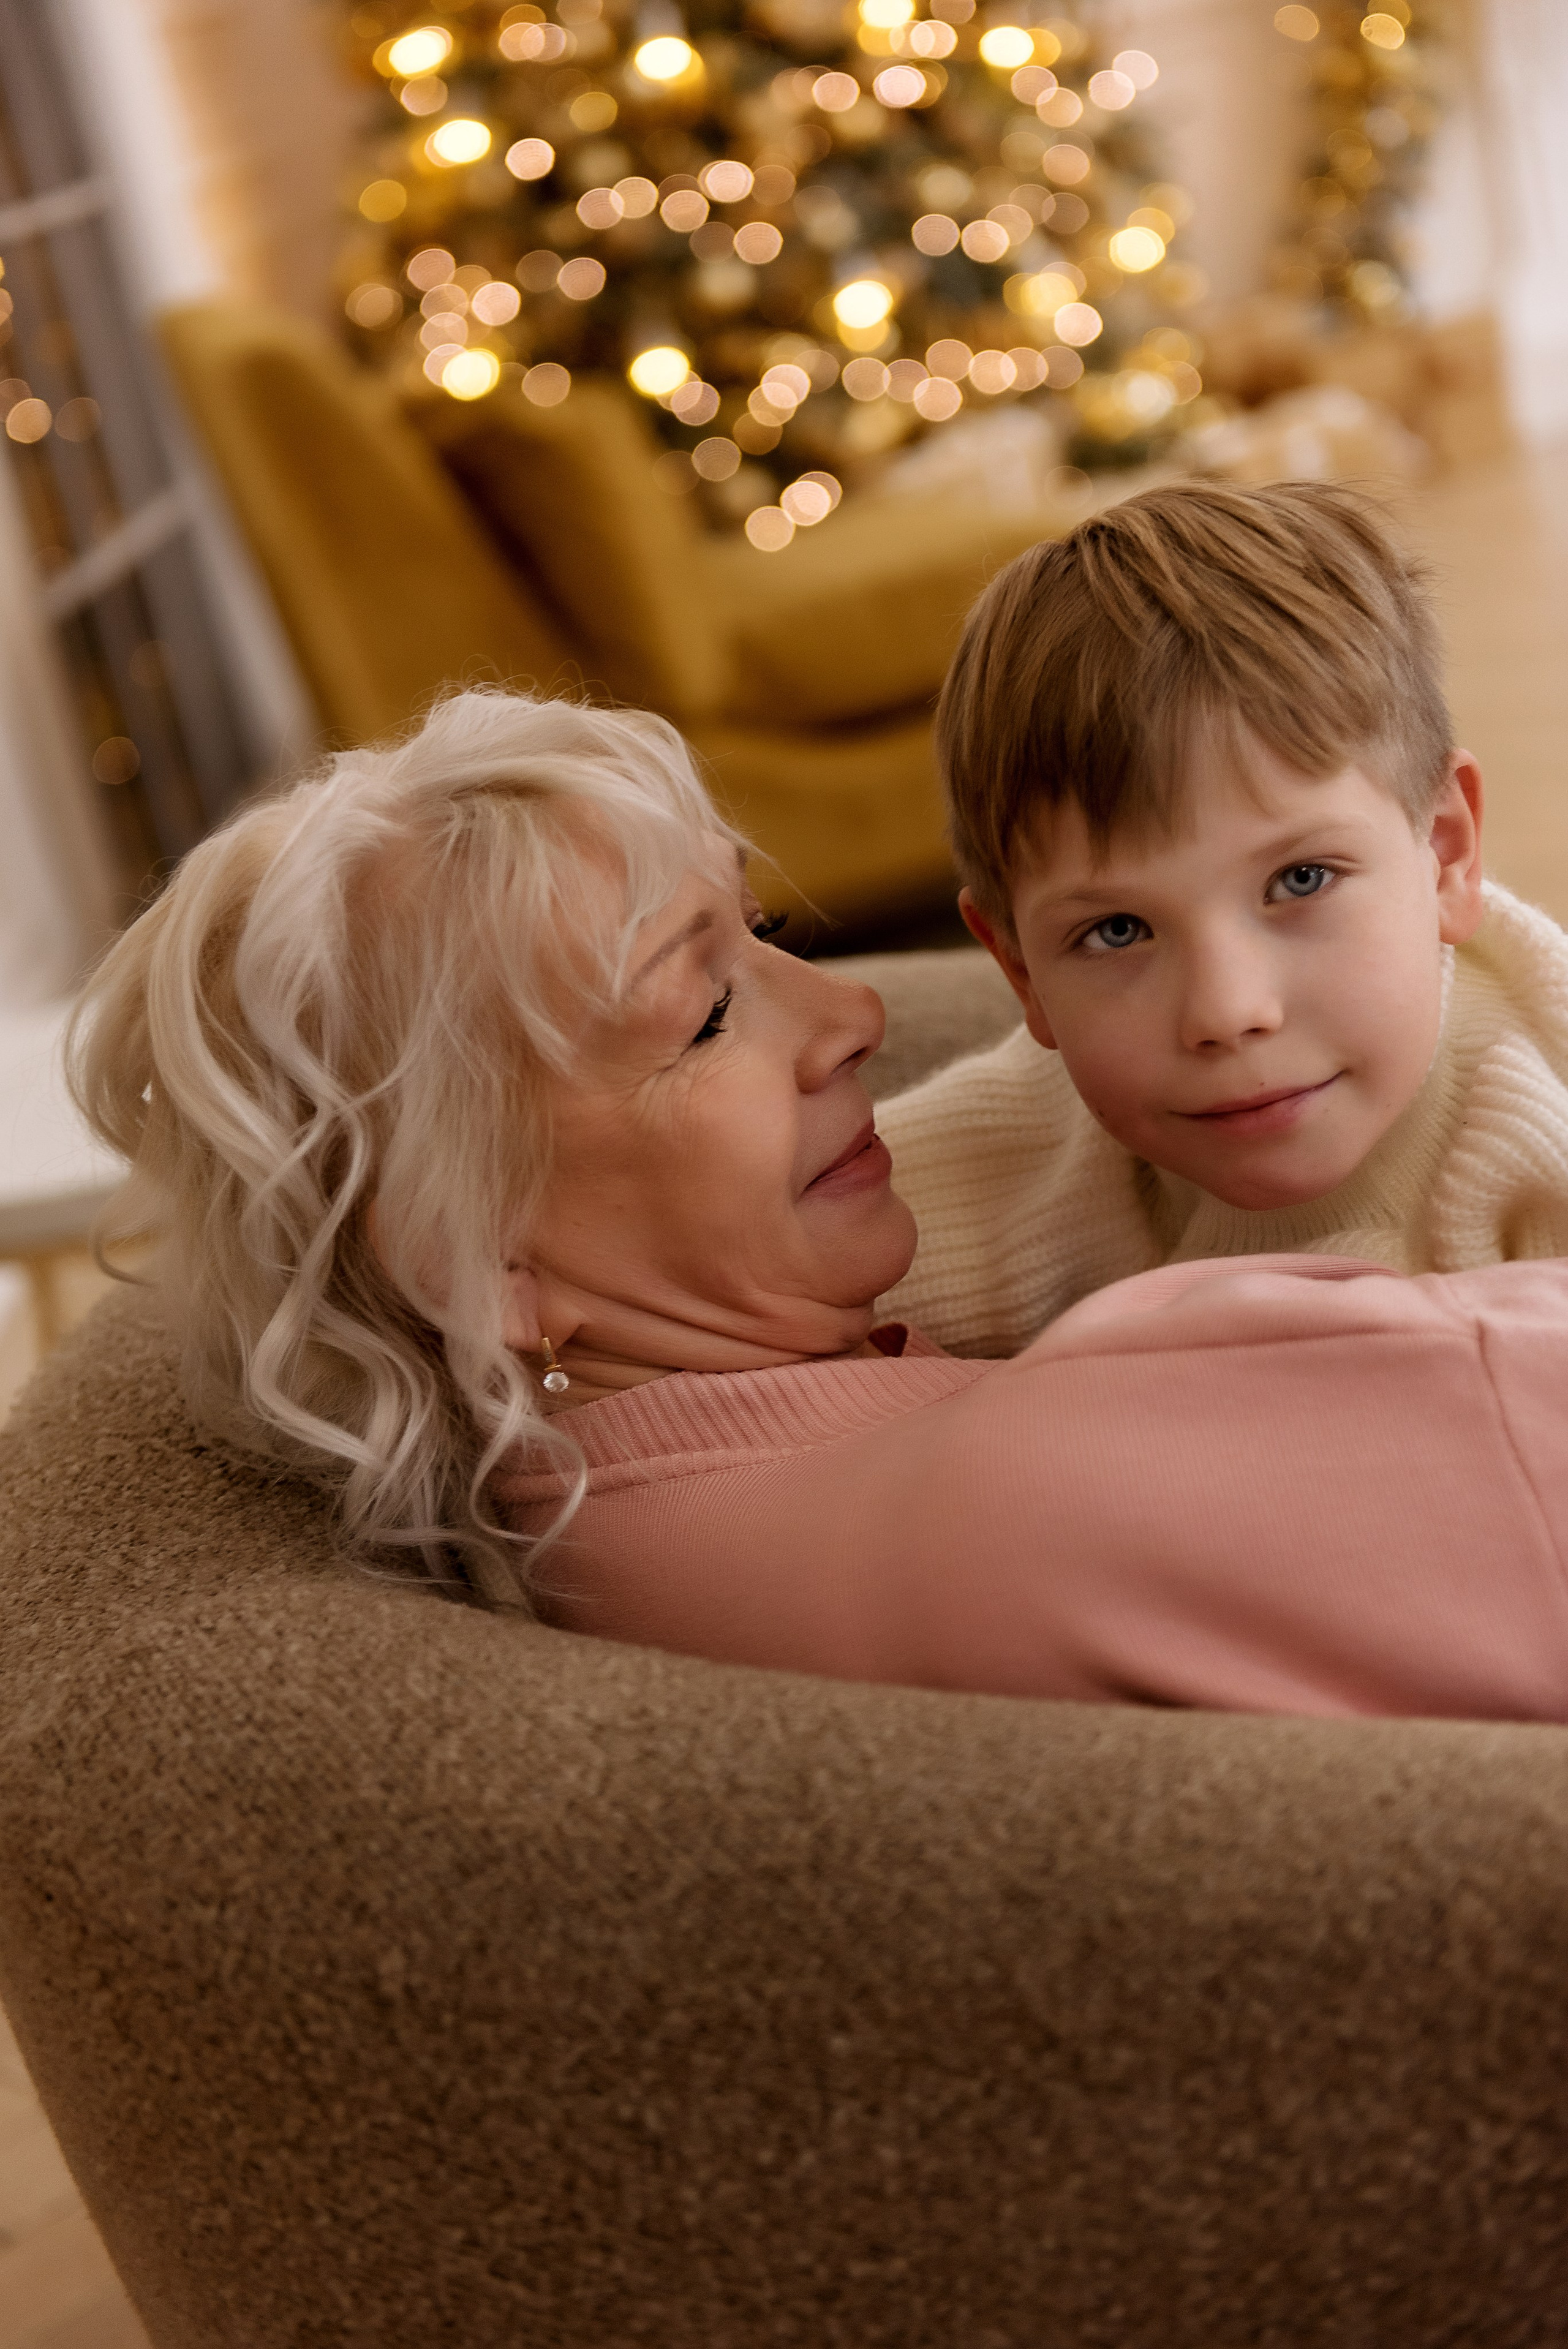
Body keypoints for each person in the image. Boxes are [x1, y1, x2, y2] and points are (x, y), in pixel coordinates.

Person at [69, 690, 1568, 1720]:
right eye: (704, 1009)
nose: (849, 1008)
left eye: (764, 931)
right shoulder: (1092, 1454)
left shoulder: (610, 1536)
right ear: (475, 1265)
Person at [876, 480, 1568, 1357]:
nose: (1226, 1012)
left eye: (1302, 879)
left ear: (1444, 853)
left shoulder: (1535, 1150)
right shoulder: (1038, 1152)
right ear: (1020, 972)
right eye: (1117, 932)